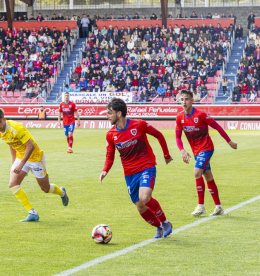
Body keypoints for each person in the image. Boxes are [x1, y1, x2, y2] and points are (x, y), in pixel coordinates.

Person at [99, 98, 173, 239]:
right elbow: (110, 156)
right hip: (129, 173)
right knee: (140, 205)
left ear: (119, 113)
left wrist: (166, 155)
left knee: (144, 197)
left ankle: (165, 222)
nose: (107, 116)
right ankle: (159, 227)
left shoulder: (139, 124)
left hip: (146, 166)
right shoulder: (111, 134)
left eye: (110, 113)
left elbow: (159, 135)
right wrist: (105, 170)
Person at [0, 108, 69, 222]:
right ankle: (32, 213)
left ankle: (62, 193)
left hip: (35, 157)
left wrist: (21, 165)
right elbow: (11, 144)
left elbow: (30, 146)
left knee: (45, 188)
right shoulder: (0, 131)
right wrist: (14, 164)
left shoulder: (16, 128)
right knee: (13, 184)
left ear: (4, 119)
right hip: (20, 157)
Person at [175, 90, 238, 216]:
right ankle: (219, 207)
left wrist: (229, 141)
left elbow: (217, 127)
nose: (184, 102)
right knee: (208, 176)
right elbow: (177, 137)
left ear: (192, 100)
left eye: (187, 99)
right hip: (196, 151)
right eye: (182, 99)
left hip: (207, 148)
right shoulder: (179, 117)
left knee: (197, 172)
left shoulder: (201, 115)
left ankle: (201, 206)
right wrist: (182, 150)